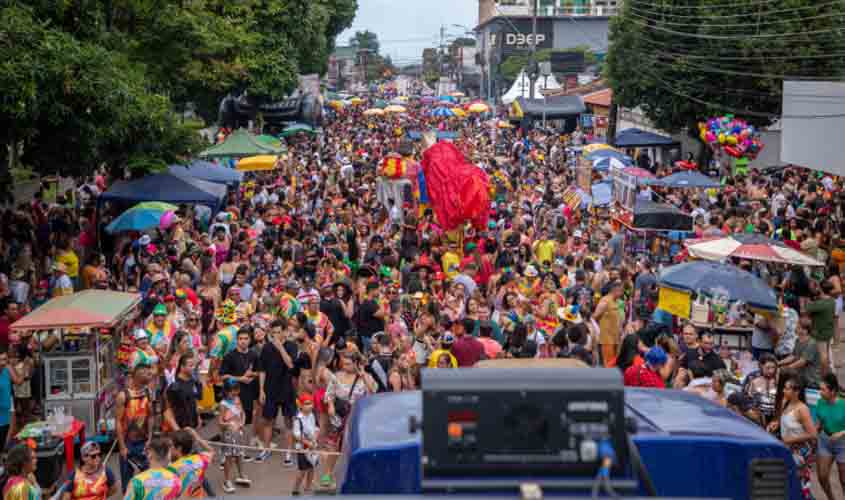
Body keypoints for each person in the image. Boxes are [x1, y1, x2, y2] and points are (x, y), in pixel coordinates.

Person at [766, 376, 816, 500]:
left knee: (799, 485)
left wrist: (789, 440)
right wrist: (775, 424)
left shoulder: (802, 409)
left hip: (799, 452)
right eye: (784, 388)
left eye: (787, 389)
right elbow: (784, 420)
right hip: (787, 449)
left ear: (796, 392)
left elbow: (812, 434)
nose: (783, 391)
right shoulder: (785, 402)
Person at [115, 363, 153, 492]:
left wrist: (150, 438)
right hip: (128, 443)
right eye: (146, 373)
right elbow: (118, 422)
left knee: (148, 480)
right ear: (137, 375)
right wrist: (122, 447)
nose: (150, 375)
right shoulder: (123, 396)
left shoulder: (148, 392)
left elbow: (151, 416)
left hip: (143, 443)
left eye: (149, 373)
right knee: (127, 482)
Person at [815, 373, 845, 500]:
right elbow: (820, 422)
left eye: (823, 389)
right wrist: (812, 433)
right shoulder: (821, 402)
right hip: (825, 440)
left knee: (844, 480)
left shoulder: (843, 404)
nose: (820, 392)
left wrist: (842, 432)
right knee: (822, 476)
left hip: (843, 444)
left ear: (832, 391)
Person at [218, 378, 251, 493]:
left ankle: (241, 474)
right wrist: (229, 424)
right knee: (229, 457)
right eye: (232, 391)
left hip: (239, 433)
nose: (235, 393)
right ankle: (226, 480)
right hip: (228, 434)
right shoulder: (223, 404)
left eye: (237, 390)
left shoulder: (238, 399)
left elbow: (243, 413)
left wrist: (242, 422)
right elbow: (220, 422)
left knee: (239, 455)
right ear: (226, 391)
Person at [168, 428, 214, 498]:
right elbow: (211, 451)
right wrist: (197, 437)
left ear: (179, 448)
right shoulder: (201, 459)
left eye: (171, 445)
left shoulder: (172, 468)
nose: (169, 448)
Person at [162, 351, 201, 433]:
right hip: (180, 427)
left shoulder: (192, 381)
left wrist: (198, 418)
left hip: (193, 425)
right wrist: (178, 430)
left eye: (194, 365)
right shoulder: (174, 386)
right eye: (190, 365)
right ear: (182, 367)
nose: (194, 368)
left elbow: (194, 401)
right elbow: (167, 410)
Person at [291, 393, 319, 496]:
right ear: (301, 405)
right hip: (303, 448)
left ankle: (308, 487)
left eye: (311, 403)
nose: (310, 405)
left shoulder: (312, 415)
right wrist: (307, 443)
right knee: (302, 471)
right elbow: (296, 435)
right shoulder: (298, 419)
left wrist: (315, 437)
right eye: (307, 403)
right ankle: (295, 489)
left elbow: (316, 428)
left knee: (312, 468)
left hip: (312, 446)